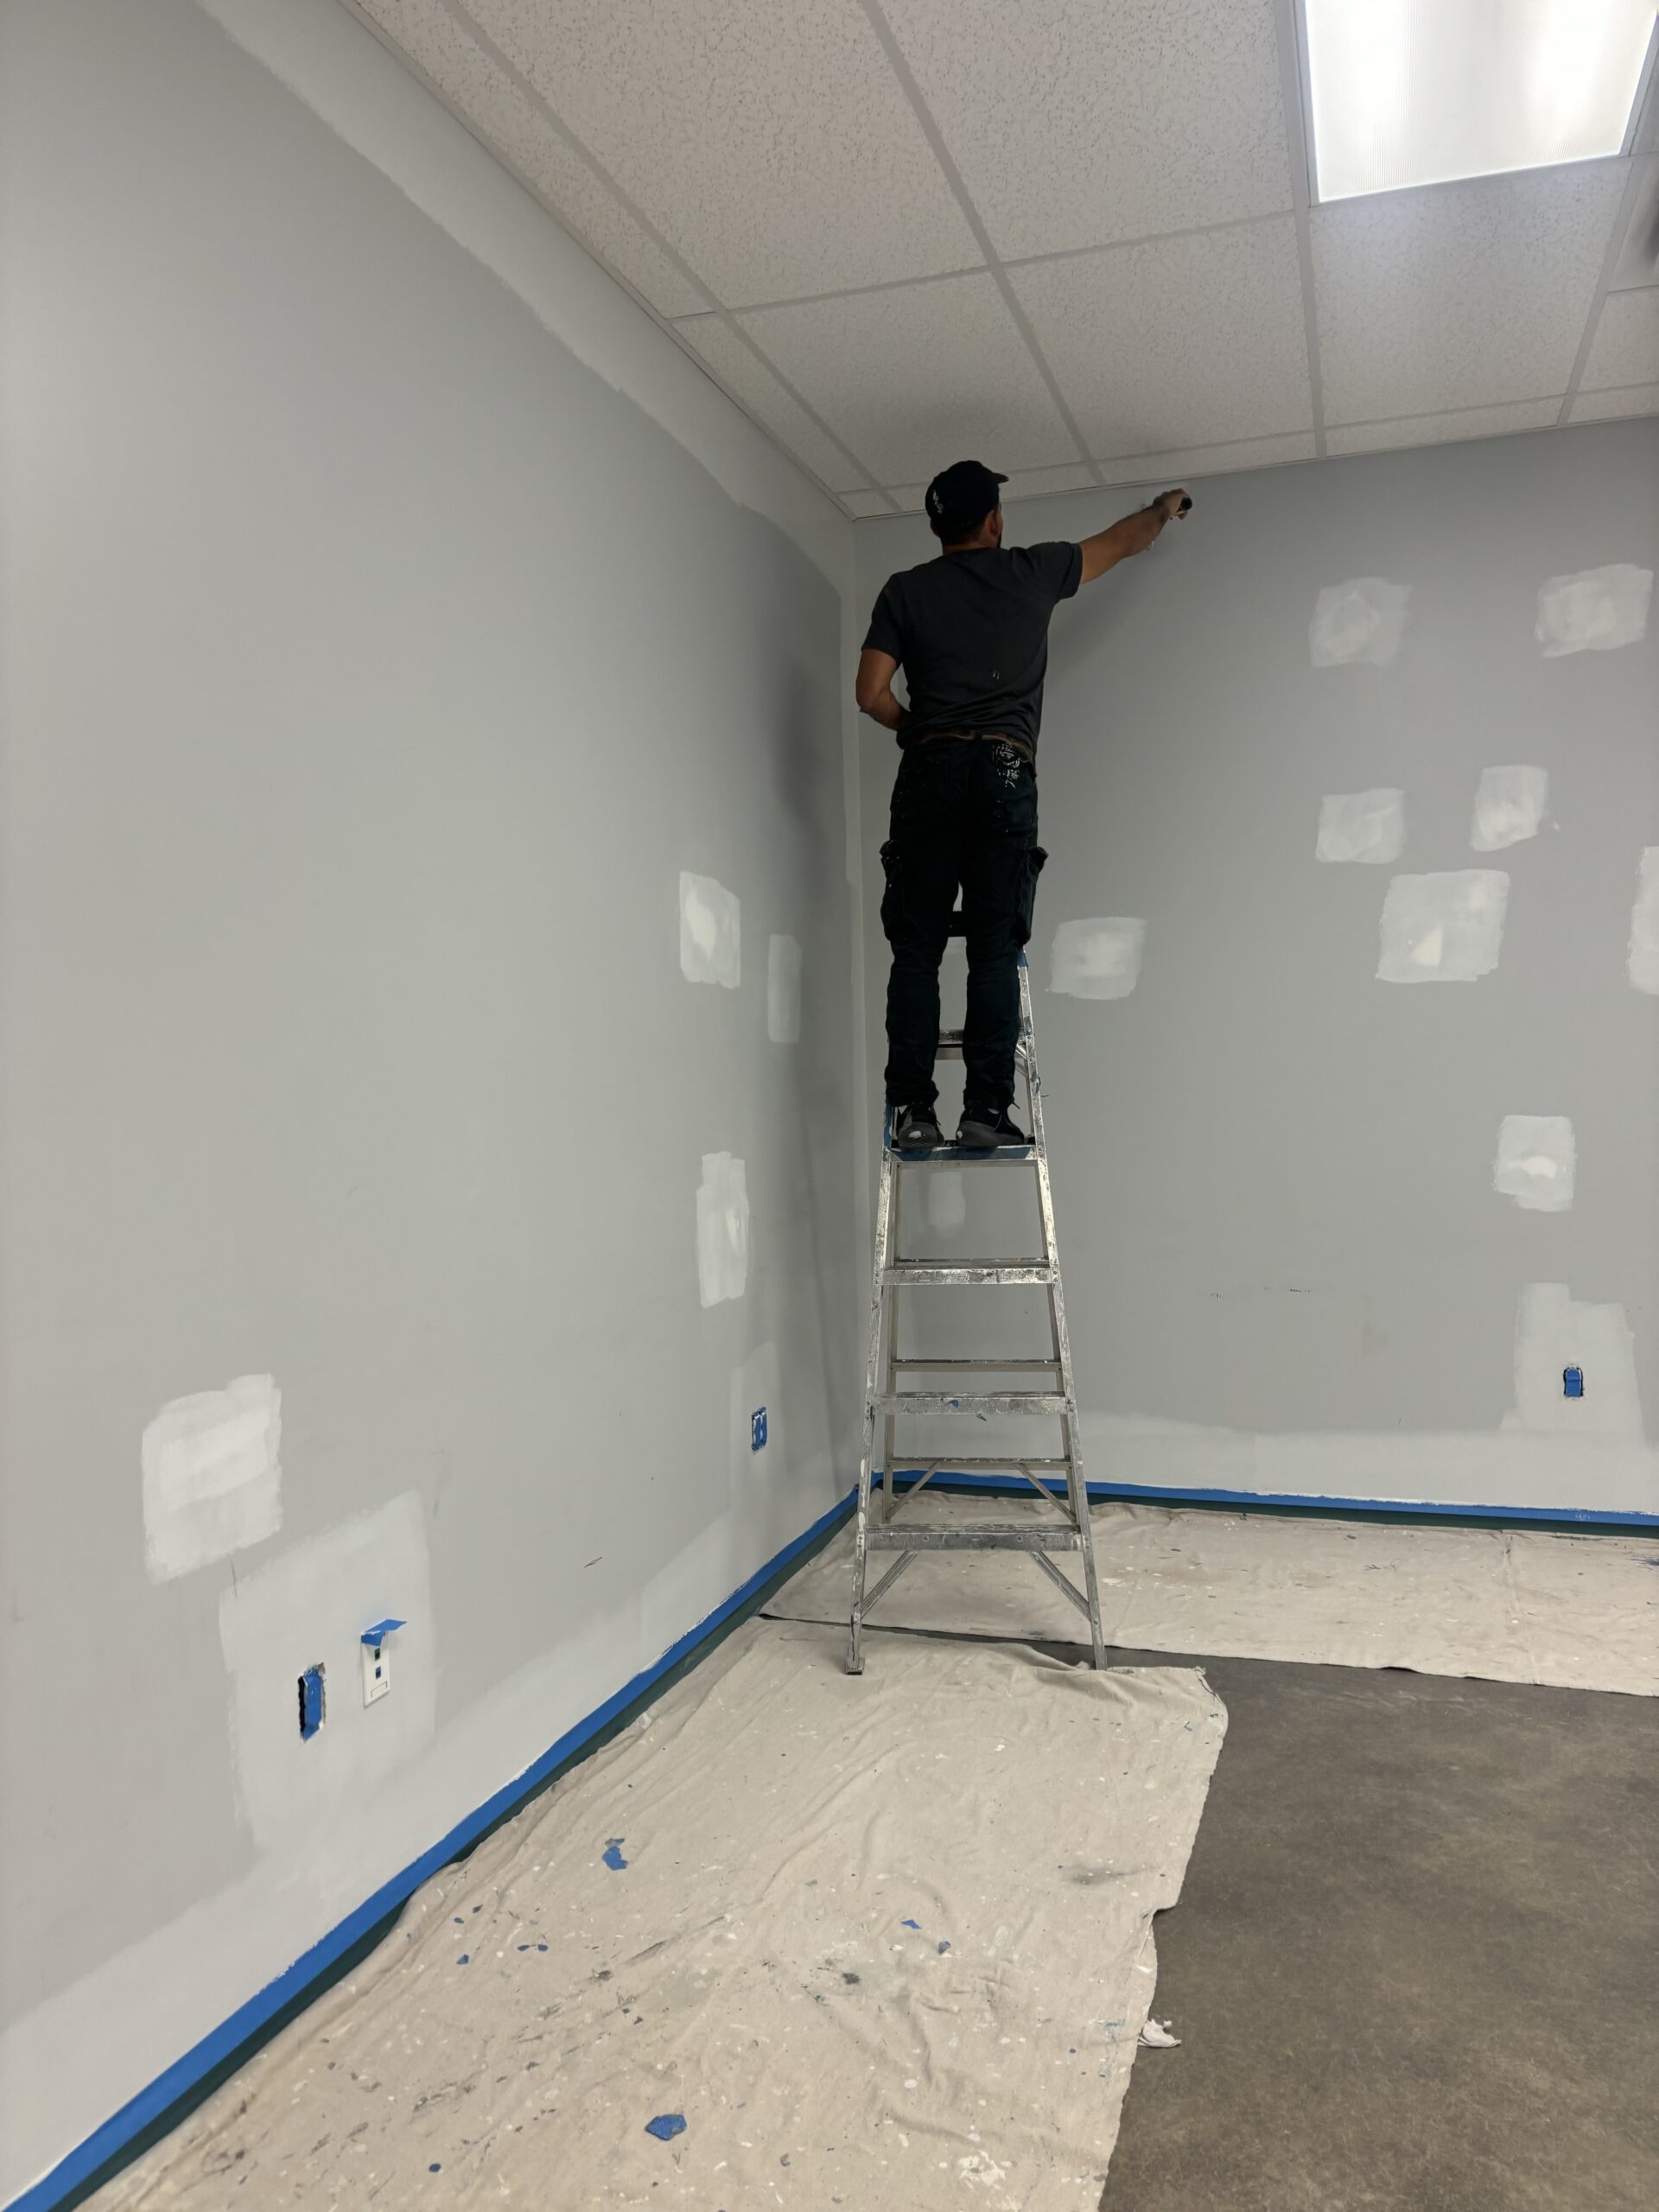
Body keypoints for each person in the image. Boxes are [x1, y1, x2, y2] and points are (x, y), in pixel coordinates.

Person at [855, 459, 1191, 1150]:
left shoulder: (905, 591)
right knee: (992, 949)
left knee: (916, 953)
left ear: (933, 526)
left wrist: (915, 729)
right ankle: (984, 1111)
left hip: (931, 770)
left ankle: (915, 1113)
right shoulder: (1032, 571)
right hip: (1006, 769)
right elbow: (1122, 541)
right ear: (994, 521)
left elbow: (871, 693)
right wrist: (1162, 508)